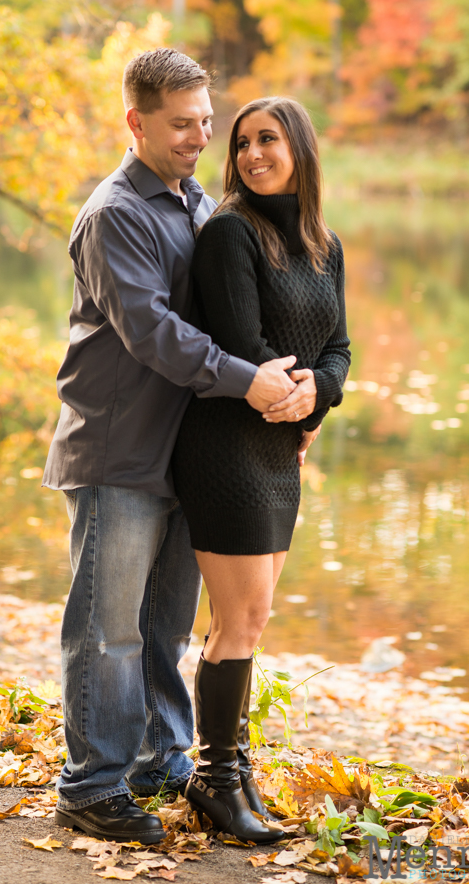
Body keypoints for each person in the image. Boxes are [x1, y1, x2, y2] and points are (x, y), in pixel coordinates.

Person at [43, 50, 297, 844]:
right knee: (107, 628)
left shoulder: (192, 205)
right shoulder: (116, 212)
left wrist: (299, 394)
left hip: (187, 453)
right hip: (119, 449)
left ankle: (161, 763)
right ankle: (90, 787)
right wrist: (250, 381)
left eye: (204, 121)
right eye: (182, 123)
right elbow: (155, 335)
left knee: (162, 628)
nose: (201, 136)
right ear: (136, 122)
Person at [172, 97, 351, 841]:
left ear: (298, 148)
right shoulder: (228, 233)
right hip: (225, 446)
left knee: (250, 618)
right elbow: (243, 346)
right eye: (241, 142)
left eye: (266, 139)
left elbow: (338, 348)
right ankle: (215, 781)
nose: (250, 154)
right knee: (239, 620)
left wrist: (316, 397)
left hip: (280, 448)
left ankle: (229, 776)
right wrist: (296, 402)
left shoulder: (322, 245)